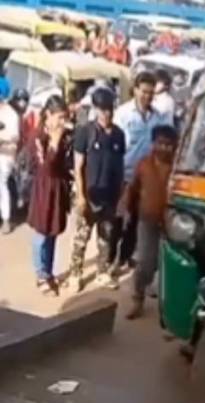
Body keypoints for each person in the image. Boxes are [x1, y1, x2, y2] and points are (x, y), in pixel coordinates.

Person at [67, 87, 126, 292]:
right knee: (81, 238)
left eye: (109, 109)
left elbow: (119, 166)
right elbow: (78, 166)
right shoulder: (86, 132)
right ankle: (75, 274)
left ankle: (102, 272)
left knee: (106, 237)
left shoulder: (119, 135)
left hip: (109, 197)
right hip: (89, 194)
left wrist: (120, 195)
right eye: (102, 109)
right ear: (96, 109)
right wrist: (81, 196)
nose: (106, 113)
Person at [113, 71, 172, 273]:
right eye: (144, 91)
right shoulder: (122, 114)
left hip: (147, 177)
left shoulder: (159, 117)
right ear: (135, 90)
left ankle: (126, 256)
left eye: (150, 93)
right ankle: (111, 260)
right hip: (125, 175)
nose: (147, 96)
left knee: (137, 220)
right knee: (117, 220)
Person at [120, 125, 176, 319]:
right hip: (147, 220)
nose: (164, 148)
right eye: (161, 143)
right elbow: (133, 190)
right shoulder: (143, 165)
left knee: (171, 268)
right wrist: (127, 212)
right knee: (144, 262)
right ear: (154, 143)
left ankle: (169, 311)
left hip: (173, 224)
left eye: (169, 145)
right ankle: (138, 299)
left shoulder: (179, 168)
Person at [27, 96, 74, 296]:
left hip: (58, 189)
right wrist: (54, 142)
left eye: (65, 117)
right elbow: (45, 168)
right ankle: (40, 274)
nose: (62, 122)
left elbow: (66, 164)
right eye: (59, 117)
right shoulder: (37, 136)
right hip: (43, 188)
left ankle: (49, 272)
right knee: (41, 233)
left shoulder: (65, 136)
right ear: (48, 115)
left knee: (53, 232)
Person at [0, 79, 20, 234]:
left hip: (5, 156)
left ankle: (6, 219)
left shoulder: (11, 115)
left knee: (1, 183)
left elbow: (14, 139)